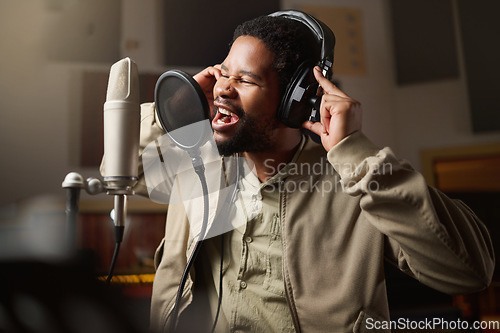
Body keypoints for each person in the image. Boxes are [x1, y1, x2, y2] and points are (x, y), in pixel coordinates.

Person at [131, 11, 494, 333]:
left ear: (295, 100)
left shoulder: (360, 183)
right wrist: (176, 110)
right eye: (223, 72)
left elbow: (470, 271)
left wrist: (355, 153)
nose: (222, 88)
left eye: (245, 80)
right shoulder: (199, 165)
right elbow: (124, 172)